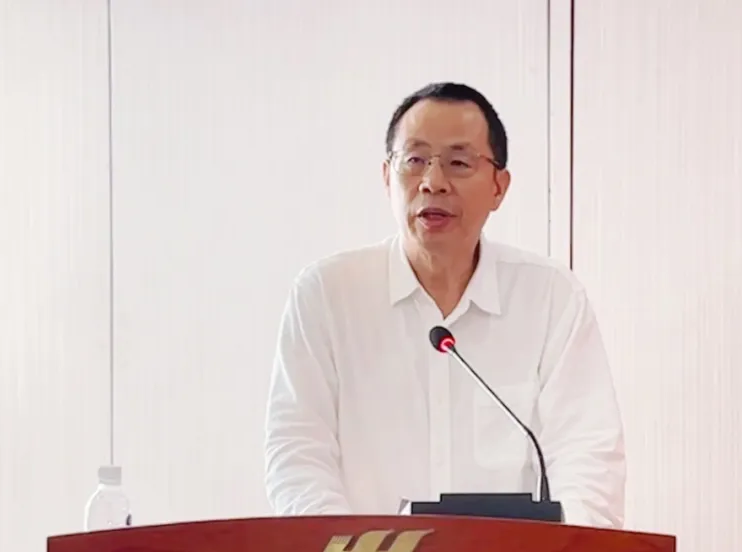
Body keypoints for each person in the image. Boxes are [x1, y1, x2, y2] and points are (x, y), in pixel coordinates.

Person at [263, 82, 625, 528]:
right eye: (414, 160)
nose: (433, 183)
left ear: (499, 187)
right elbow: (297, 455)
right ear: (387, 177)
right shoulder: (327, 295)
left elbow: (589, 457)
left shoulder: (550, 298)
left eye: (458, 163)